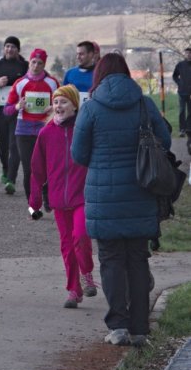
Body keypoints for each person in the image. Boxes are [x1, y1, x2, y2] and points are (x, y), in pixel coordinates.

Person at [72, 53, 171, 346]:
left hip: (104, 196)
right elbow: (164, 141)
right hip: (141, 191)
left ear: (99, 75)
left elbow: (78, 154)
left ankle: (117, 326)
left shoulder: (91, 108)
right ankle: (140, 329)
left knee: (111, 260)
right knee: (138, 260)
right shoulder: (144, 104)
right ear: (127, 73)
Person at [28, 85, 97, 309]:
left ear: (75, 105)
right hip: (58, 199)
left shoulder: (83, 130)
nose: (59, 106)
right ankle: (73, 290)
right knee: (67, 246)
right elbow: (37, 169)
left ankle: (87, 273)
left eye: (64, 102)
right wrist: (34, 202)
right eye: (56, 102)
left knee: (81, 236)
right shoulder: (46, 132)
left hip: (82, 196)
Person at [4, 48, 59, 205]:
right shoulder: (20, 84)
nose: (36, 66)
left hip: (46, 130)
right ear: (29, 62)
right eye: (33, 62)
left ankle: (47, 198)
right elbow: (7, 110)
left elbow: (61, 104)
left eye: (40, 63)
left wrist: (53, 108)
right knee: (29, 169)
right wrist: (16, 107)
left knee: (48, 167)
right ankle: (32, 204)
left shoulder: (52, 83)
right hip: (24, 131)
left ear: (44, 64)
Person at [0, 36, 28, 195]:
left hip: (18, 111)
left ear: (18, 49)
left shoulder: (24, 67)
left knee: (14, 145)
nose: (9, 49)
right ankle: (5, 167)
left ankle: (11, 178)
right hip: (0, 111)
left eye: (13, 47)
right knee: (3, 147)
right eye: (7, 46)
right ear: (4, 49)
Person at [63, 41, 97, 106]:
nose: (78, 57)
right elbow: (63, 96)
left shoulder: (99, 74)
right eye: (77, 54)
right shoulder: (69, 73)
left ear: (90, 54)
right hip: (74, 115)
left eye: (81, 54)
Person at [172, 47, 191, 137]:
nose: (188, 55)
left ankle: (189, 128)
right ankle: (182, 129)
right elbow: (175, 76)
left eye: (190, 53)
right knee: (182, 111)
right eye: (187, 53)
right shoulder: (180, 65)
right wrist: (180, 83)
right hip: (182, 92)